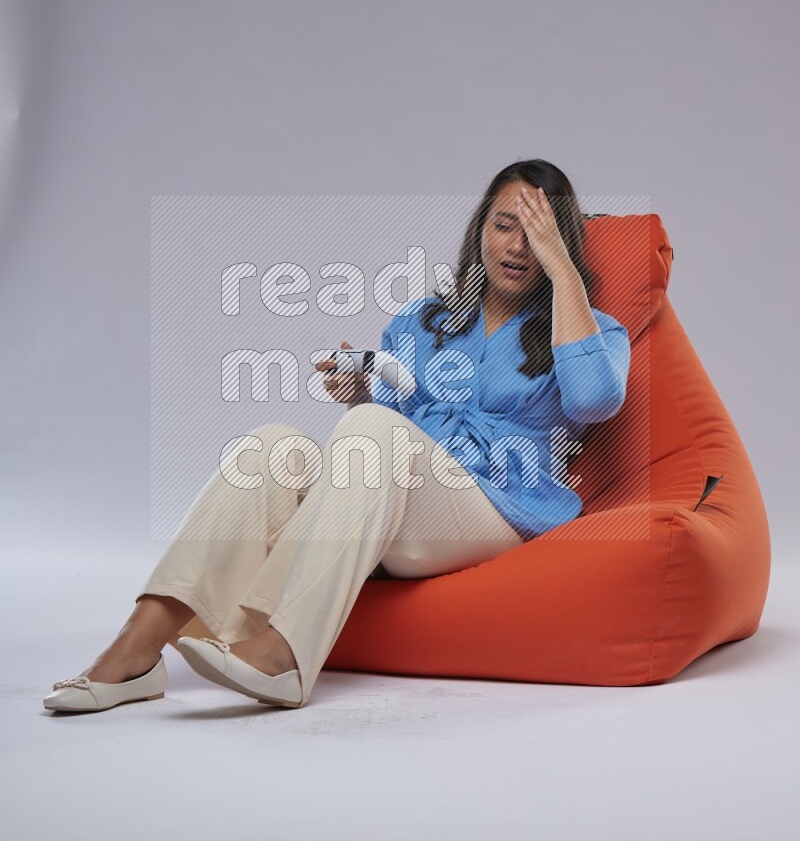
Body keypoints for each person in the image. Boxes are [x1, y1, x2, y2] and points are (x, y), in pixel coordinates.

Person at [43, 159, 631, 713]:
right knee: (271, 447)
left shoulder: (592, 328)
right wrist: (361, 390)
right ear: (481, 229)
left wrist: (562, 271)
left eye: (538, 233)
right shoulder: (424, 320)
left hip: (495, 510)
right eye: (505, 226)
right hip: (404, 500)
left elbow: (592, 400)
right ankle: (137, 647)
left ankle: (283, 651)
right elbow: (393, 419)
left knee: (375, 431)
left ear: (562, 246)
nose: (516, 245)